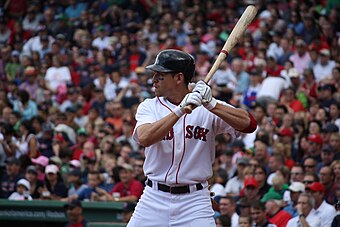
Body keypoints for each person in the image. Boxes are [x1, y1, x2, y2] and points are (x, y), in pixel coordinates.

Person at [127, 49, 257, 226]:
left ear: (179, 78)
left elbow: (249, 125)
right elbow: (144, 138)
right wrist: (180, 110)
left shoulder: (207, 104)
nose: (154, 79)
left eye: (161, 75)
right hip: (154, 197)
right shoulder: (149, 107)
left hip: (195, 201)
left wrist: (212, 104)